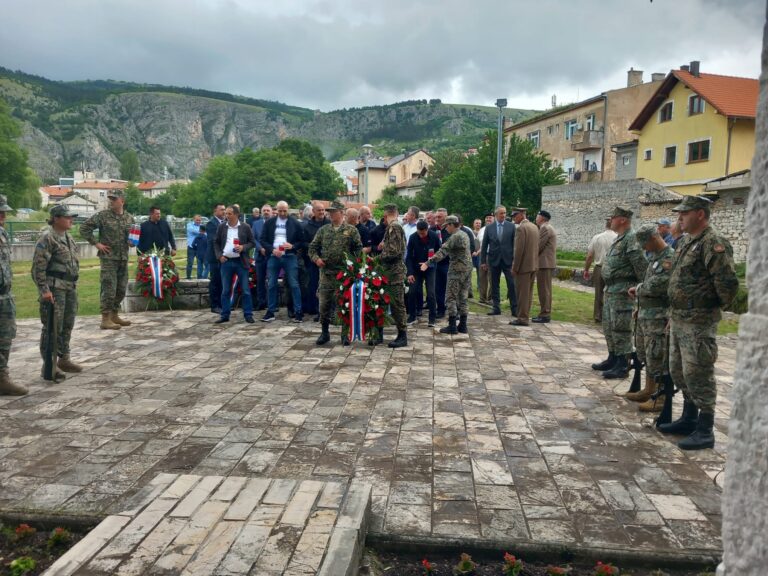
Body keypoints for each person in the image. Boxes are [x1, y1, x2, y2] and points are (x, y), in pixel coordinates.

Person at [659, 196, 738, 451]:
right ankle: (688, 418)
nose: (679, 217)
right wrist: (674, 313)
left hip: (699, 322)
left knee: (699, 372)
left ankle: (705, 430)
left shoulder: (713, 243)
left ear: (700, 215)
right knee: (679, 370)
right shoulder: (685, 242)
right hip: (680, 318)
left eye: (685, 213)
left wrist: (708, 310)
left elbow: (727, 286)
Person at [592, 207, 647, 379]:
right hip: (611, 290)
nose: (611, 220)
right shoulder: (620, 239)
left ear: (622, 220)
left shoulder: (632, 239)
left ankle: (623, 364)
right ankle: (613, 357)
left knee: (621, 328)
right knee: (609, 326)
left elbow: (642, 269)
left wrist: (638, 290)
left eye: (613, 218)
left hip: (623, 293)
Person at [626, 224, 674, 411]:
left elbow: (658, 285)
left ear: (653, 238)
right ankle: (649, 389)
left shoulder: (669, 258)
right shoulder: (655, 257)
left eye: (644, 243)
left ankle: (660, 399)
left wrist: (637, 289)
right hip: (647, 314)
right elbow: (648, 282)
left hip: (659, 316)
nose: (643, 248)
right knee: (646, 353)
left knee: (658, 355)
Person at [32, 204, 82, 381]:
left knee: (67, 324)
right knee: (53, 327)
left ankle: (64, 359)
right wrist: (44, 290)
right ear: (56, 219)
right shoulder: (47, 238)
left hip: (69, 287)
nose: (71, 220)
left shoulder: (68, 237)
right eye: (67, 217)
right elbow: (38, 268)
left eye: (71, 217)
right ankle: (49, 365)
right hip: (55, 289)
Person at [80, 188, 134, 330]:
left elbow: (133, 236)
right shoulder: (102, 216)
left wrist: (132, 242)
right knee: (109, 288)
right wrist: (96, 244)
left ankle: (114, 315)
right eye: (110, 199)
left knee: (121, 289)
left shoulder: (129, 218)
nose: (111, 202)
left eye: (114, 199)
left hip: (123, 258)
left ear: (122, 201)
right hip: (109, 258)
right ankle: (105, 319)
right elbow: (84, 228)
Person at [309, 200, 362, 345]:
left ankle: (345, 334)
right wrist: (316, 259)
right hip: (326, 274)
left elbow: (358, 248)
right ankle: (324, 333)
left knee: (343, 304)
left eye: (334, 211)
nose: (331, 214)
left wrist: (353, 264)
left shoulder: (351, 230)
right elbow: (312, 248)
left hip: (343, 274)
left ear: (342, 213)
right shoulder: (324, 230)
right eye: (330, 212)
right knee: (324, 304)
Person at [421, 215, 472, 335]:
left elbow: (442, 252)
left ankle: (452, 325)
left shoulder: (455, 237)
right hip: (467, 270)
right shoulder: (465, 234)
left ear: (450, 225)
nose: (445, 229)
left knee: (451, 297)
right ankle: (463, 325)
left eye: (446, 226)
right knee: (463, 297)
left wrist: (428, 263)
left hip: (456, 271)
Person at [260, 201, 305, 323]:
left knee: (294, 284)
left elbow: (302, 241)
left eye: (284, 210)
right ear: (276, 210)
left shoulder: (295, 223)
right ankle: (270, 311)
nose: (282, 213)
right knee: (271, 284)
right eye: (280, 210)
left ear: (288, 210)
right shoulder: (270, 223)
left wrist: (292, 246)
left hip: (289, 256)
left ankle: (298, 312)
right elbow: (262, 239)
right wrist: (272, 250)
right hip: (274, 257)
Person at [0, 195, 27, 395]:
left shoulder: (2, 233)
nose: (3, 215)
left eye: (4, 212)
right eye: (0, 212)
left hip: (4, 294)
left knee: (7, 335)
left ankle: (2, 377)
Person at [213, 205, 256, 324]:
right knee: (225, 290)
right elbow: (216, 242)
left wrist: (243, 247)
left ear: (237, 215)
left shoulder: (245, 227)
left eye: (229, 214)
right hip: (226, 261)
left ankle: (248, 314)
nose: (227, 216)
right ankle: (225, 314)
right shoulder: (222, 226)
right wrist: (219, 256)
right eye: (226, 213)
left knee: (246, 290)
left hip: (241, 262)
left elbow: (252, 242)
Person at [379, 204, 409, 348]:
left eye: (383, 217)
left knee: (397, 304)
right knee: (385, 302)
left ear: (386, 215)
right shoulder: (392, 227)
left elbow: (394, 252)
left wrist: (379, 257)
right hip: (389, 271)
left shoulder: (395, 227)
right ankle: (379, 333)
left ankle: (402, 336)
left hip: (395, 272)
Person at [481, 205, 516, 318]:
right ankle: (496, 308)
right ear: (496, 215)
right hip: (493, 260)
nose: (504, 215)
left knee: (511, 284)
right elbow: (484, 245)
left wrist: (514, 260)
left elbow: (514, 245)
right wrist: (483, 262)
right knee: (495, 285)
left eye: (505, 213)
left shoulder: (511, 226)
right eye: (501, 213)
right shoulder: (489, 228)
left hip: (508, 260)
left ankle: (514, 308)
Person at [407, 220, 440, 327]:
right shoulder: (413, 237)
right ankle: (412, 316)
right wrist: (410, 273)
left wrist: (429, 262)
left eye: (423, 233)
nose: (421, 235)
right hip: (416, 269)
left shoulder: (434, 236)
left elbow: (439, 253)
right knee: (412, 291)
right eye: (419, 233)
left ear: (427, 230)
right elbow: (409, 257)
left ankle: (432, 318)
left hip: (430, 268)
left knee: (431, 293)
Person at [584, 219, 617, 323]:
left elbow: (589, 256)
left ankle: (598, 315)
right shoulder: (617, 238)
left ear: (605, 225)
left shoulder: (597, 237)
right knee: (612, 292)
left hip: (599, 267)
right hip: (612, 268)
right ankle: (610, 315)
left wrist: (586, 269)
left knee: (598, 293)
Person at [510, 207, 539, 326]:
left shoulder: (521, 228)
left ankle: (522, 318)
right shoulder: (534, 227)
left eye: (515, 215)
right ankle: (525, 315)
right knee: (528, 293)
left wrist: (515, 267)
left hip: (523, 267)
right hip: (533, 265)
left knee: (522, 294)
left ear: (521, 215)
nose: (513, 218)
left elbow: (518, 251)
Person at [302, 201, 330, 320]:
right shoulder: (307, 226)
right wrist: (315, 247)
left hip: (328, 260)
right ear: (313, 211)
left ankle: (326, 310)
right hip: (313, 261)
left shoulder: (329, 224)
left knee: (327, 286)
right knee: (314, 284)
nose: (322, 212)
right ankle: (315, 309)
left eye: (323, 210)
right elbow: (303, 243)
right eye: (319, 210)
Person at [533, 210, 557, 323]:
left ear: (542, 218)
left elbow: (538, 246)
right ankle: (545, 312)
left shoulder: (544, 228)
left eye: (537, 216)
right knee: (545, 289)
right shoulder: (547, 227)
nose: (536, 218)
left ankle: (545, 314)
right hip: (546, 263)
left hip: (544, 263)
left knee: (544, 290)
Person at [251, 204, 272, 311]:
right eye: (264, 210)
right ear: (261, 212)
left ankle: (272, 303)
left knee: (271, 280)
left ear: (271, 212)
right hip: (260, 256)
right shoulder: (256, 224)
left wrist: (268, 249)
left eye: (268, 210)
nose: (266, 212)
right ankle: (261, 302)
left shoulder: (276, 223)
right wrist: (260, 248)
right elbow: (253, 238)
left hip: (272, 256)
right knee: (260, 280)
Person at [206, 203, 226, 314]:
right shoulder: (211, 224)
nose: (224, 212)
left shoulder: (225, 223)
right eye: (221, 210)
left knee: (223, 281)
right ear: (215, 211)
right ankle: (215, 305)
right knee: (215, 281)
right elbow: (214, 241)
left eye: (224, 210)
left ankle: (222, 304)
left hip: (224, 256)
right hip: (215, 257)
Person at [433, 208, 449, 318]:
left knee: (450, 287)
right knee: (438, 288)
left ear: (446, 218)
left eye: (440, 217)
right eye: (436, 217)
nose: (437, 219)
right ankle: (440, 309)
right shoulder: (432, 229)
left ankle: (454, 309)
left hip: (448, 263)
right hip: (436, 263)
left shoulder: (450, 230)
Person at [475, 213, 494, 304]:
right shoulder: (481, 230)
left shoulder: (496, 228)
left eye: (490, 218)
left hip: (492, 255)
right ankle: (482, 298)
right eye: (486, 218)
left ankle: (491, 298)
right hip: (482, 255)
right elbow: (478, 243)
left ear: (494, 219)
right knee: (482, 277)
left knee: (492, 277)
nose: (488, 219)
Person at [185, 215, 203, 279]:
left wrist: (201, 233)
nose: (198, 221)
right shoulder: (189, 225)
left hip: (200, 248)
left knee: (200, 263)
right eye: (197, 220)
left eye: (199, 220)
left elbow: (206, 234)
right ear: (194, 219)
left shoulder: (202, 226)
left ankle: (199, 277)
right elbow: (192, 230)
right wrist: (201, 232)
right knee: (190, 263)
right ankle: (188, 277)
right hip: (191, 247)